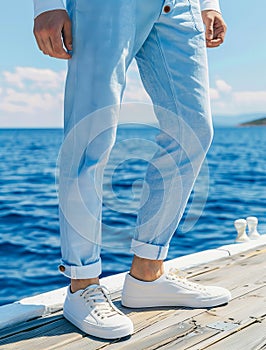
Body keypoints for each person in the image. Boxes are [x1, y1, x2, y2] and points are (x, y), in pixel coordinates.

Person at [33, 0, 230, 340]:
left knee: (193, 130)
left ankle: (147, 275)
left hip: (181, 5)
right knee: (91, 133)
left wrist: (209, 3)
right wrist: (46, 4)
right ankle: (82, 285)